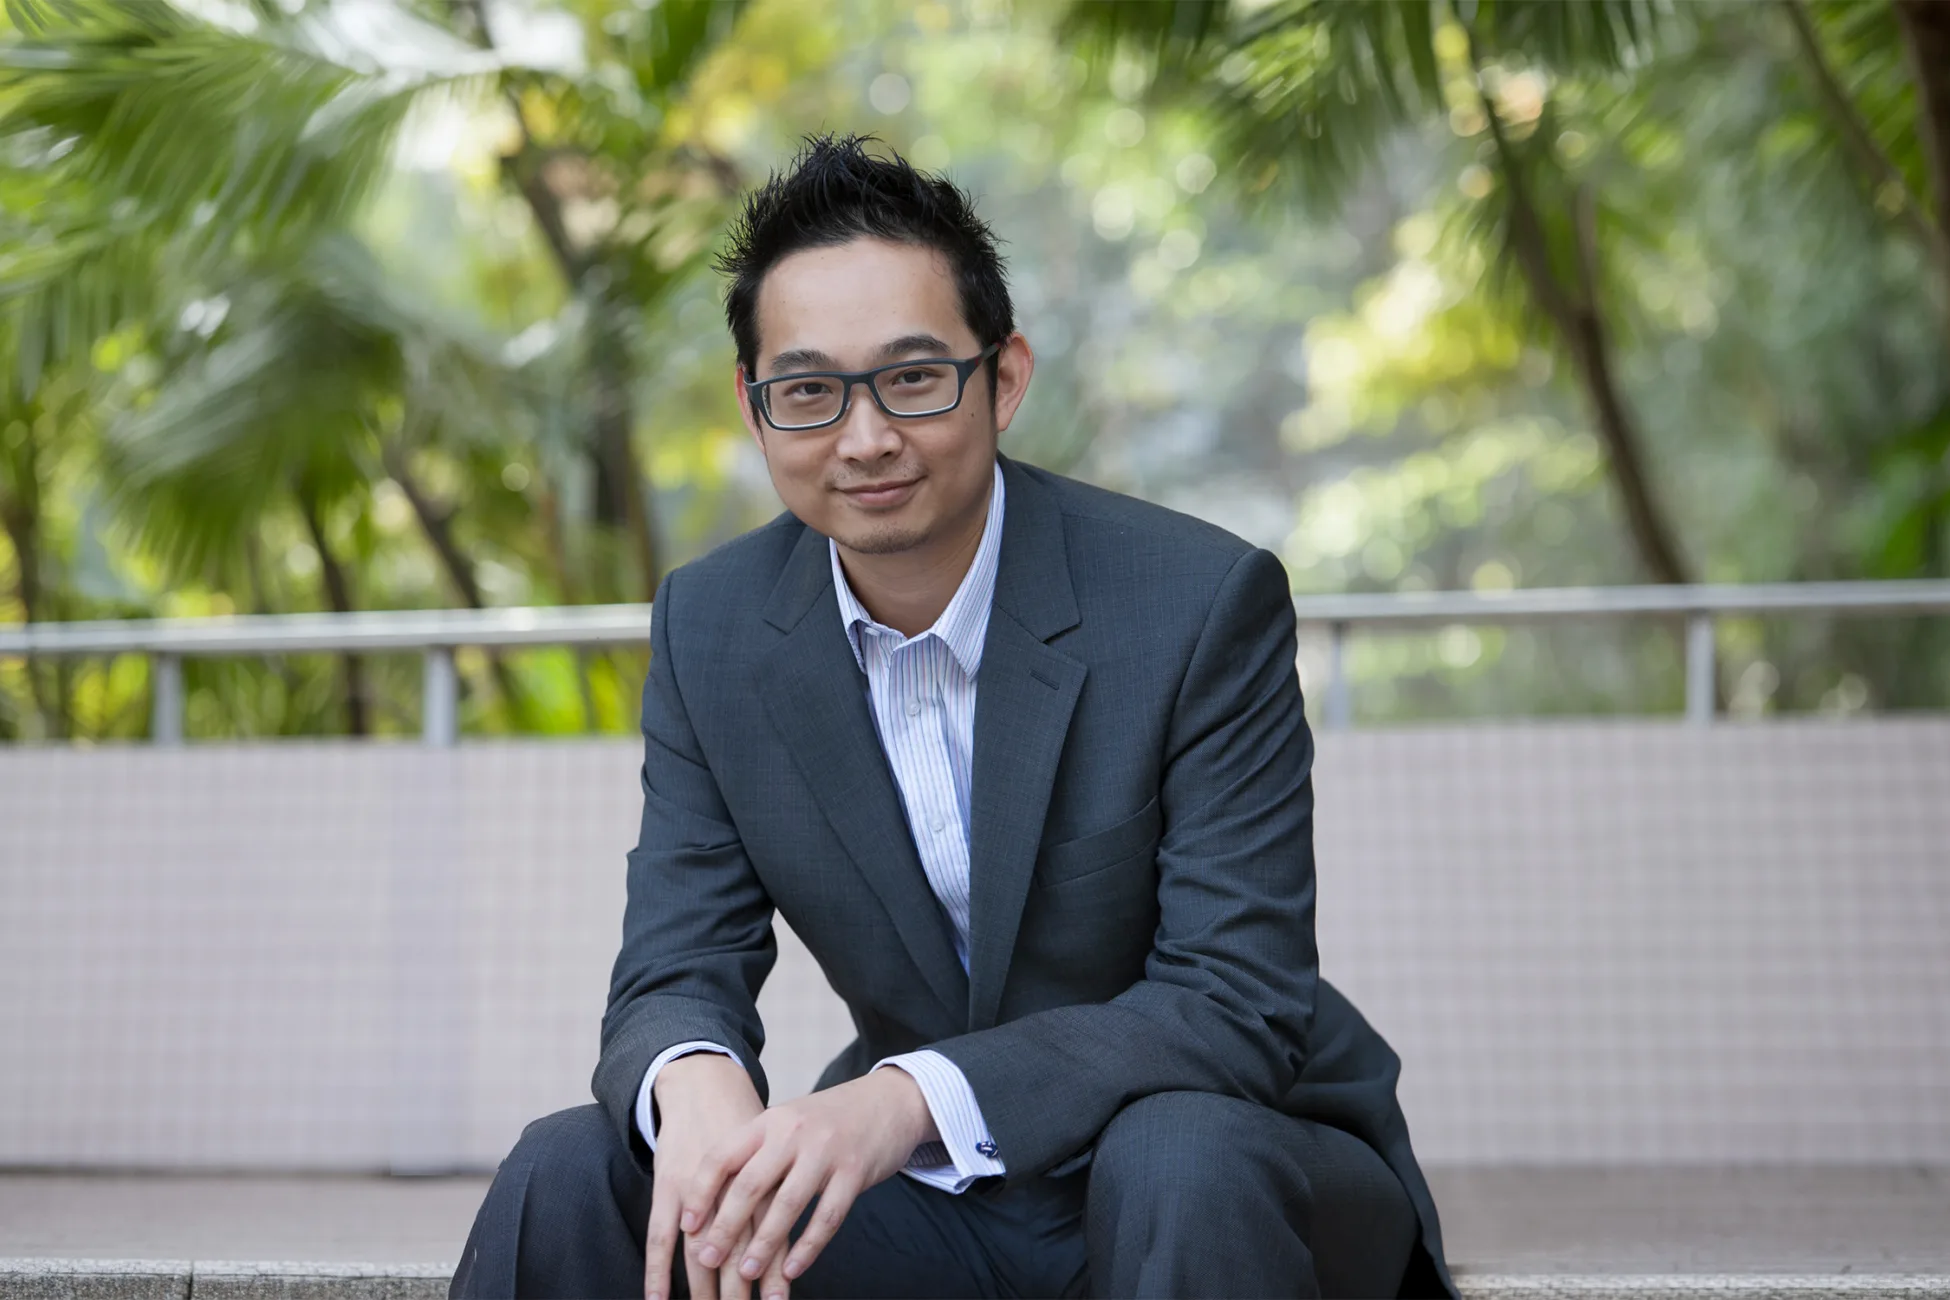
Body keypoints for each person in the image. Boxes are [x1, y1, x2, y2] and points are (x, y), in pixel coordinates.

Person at [452, 134, 1456, 1300]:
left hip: (1230, 1169)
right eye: (810, 390)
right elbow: (676, 957)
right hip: (939, 1202)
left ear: (1005, 377)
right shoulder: (712, 628)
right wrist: (693, 1080)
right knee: (573, 1166)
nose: (864, 436)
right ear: (754, 405)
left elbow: (1234, 1002)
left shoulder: (1193, 604)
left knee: (1176, 1156)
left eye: (914, 377)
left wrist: (903, 1098)